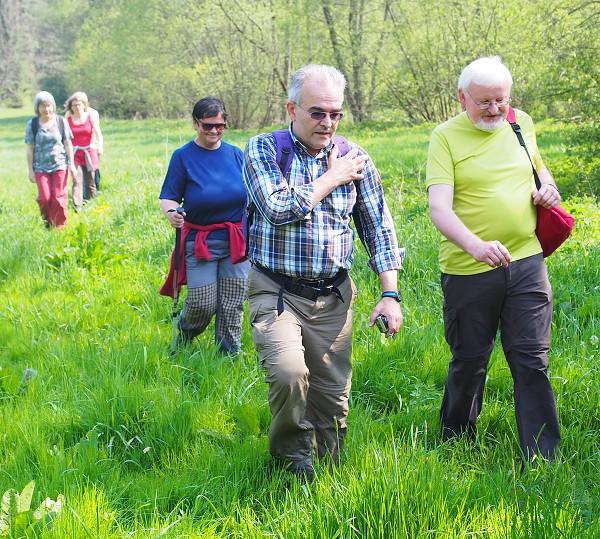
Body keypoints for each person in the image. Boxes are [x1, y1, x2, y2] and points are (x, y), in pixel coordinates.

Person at [243, 64, 404, 481]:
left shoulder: (357, 159)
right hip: (276, 292)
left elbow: (378, 228)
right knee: (288, 374)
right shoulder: (263, 150)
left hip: (333, 297)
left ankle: (328, 470)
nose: (328, 123)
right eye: (317, 113)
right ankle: (292, 466)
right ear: (291, 109)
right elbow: (277, 209)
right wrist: (332, 178)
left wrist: (390, 294)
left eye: (336, 114)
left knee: (333, 397)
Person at [426, 56, 561, 461]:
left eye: (500, 100)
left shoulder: (521, 123)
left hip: (526, 262)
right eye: (483, 102)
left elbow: (540, 171)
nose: (493, 110)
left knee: (531, 361)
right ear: (462, 97)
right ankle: (455, 443)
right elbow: (439, 210)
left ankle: (543, 458)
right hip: (469, 268)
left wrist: (549, 189)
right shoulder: (445, 137)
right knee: (469, 360)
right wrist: (476, 246)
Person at [159, 97, 249, 355]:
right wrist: (171, 213)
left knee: (233, 302)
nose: (213, 131)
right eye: (207, 125)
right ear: (195, 123)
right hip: (201, 242)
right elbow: (169, 196)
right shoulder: (183, 156)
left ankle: (228, 354)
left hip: (235, 240)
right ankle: (184, 336)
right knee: (202, 303)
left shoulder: (235, 154)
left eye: (219, 125)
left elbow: (251, 192)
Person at [25, 91, 76, 229]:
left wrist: (72, 165)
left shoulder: (61, 121)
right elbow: (30, 149)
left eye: (49, 106)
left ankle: (59, 227)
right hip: (40, 167)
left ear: (52, 106)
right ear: (38, 108)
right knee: (44, 198)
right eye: (43, 106)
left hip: (60, 165)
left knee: (58, 197)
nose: (46, 109)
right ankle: (48, 224)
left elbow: (68, 144)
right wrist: (30, 171)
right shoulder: (33, 124)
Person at [64, 91, 104, 211]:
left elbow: (98, 132)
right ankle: (77, 206)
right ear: (71, 107)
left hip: (89, 151)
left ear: (84, 105)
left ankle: (91, 203)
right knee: (77, 179)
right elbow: (65, 137)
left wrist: (99, 146)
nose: (77, 107)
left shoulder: (91, 116)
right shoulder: (68, 119)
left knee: (90, 180)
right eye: (74, 105)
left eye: (79, 104)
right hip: (74, 153)